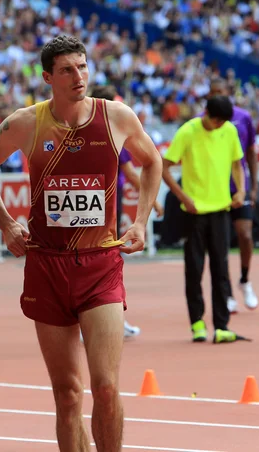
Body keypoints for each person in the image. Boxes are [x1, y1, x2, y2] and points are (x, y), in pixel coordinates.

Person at [0, 35, 162, 452]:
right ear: (47, 77)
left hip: (101, 264)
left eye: (82, 66)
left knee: (107, 388)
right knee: (68, 395)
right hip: (47, 266)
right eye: (67, 70)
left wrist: (141, 221)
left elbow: (152, 162)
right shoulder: (26, 123)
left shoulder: (116, 117)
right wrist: (5, 223)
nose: (78, 77)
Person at [162, 96, 248, 344]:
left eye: (223, 122)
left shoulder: (229, 130)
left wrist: (240, 191)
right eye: (217, 121)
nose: (220, 125)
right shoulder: (188, 131)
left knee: (221, 269)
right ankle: (197, 323)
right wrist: (183, 197)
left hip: (221, 209)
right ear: (206, 114)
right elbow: (164, 167)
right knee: (194, 269)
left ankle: (221, 326)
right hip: (194, 212)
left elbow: (237, 164)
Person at [89, 84, 165, 338]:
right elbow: (132, 173)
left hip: (93, 198)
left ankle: (90, 321)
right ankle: (109, 320)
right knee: (106, 259)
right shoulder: (112, 130)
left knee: (89, 258)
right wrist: (152, 202)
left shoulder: (85, 127)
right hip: (107, 199)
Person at [204, 79, 259, 313]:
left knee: (245, 235)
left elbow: (251, 153)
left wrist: (253, 185)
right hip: (214, 188)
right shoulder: (202, 120)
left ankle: (245, 280)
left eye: (221, 92)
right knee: (220, 243)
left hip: (239, 185)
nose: (218, 95)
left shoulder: (243, 117)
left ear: (228, 94)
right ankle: (225, 292)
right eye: (214, 92)